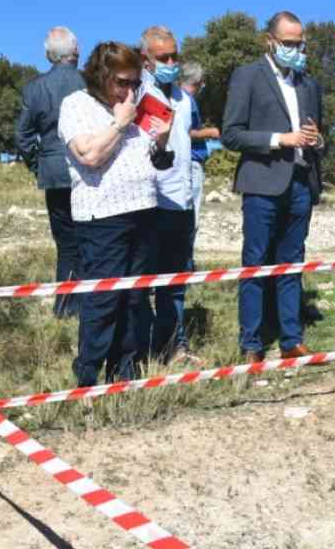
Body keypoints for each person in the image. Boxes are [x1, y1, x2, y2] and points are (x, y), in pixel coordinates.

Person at [58, 41, 172, 387]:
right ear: (101, 76)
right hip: (102, 218)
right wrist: (120, 124)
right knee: (103, 299)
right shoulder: (76, 105)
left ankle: (125, 369)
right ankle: (88, 376)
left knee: (135, 298)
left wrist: (163, 141)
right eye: (122, 82)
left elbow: (158, 161)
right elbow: (89, 156)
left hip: (145, 212)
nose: (129, 90)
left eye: (135, 83)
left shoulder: (138, 105)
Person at [221, 10, 325, 366]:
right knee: (255, 264)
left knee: (292, 264)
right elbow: (231, 134)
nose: (297, 49)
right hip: (262, 184)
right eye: (289, 43)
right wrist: (281, 139)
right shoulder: (247, 76)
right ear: (271, 41)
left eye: (301, 43)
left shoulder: (309, 83)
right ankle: (251, 342)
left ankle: (291, 339)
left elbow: (316, 133)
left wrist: (317, 140)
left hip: (300, 184)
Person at [136, 26, 198, 366]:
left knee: (175, 282)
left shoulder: (184, 99)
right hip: (149, 204)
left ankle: (175, 345)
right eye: (163, 58)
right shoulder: (137, 98)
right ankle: (143, 348)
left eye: (175, 56)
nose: (171, 63)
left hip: (181, 203)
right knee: (145, 282)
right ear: (146, 61)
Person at [15, 26, 86, 318]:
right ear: (77, 52)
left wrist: (38, 164)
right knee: (92, 240)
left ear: (48, 55)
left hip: (55, 173)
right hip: (91, 170)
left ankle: (65, 307)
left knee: (66, 244)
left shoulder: (34, 88)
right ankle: (91, 305)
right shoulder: (91, 83)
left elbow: (23, 136)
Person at [181, 61, 218, 261]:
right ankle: (185, 265)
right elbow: (187, 132)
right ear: (198, 81)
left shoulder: (180, 99)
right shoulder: (188, 101)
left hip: (187, 164)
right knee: (191, 219)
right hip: (191, 163)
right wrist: (210, 132)